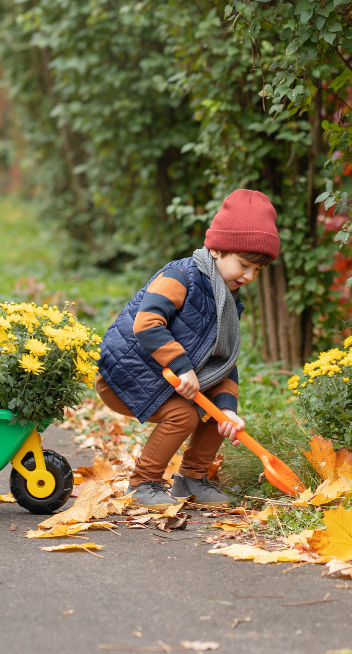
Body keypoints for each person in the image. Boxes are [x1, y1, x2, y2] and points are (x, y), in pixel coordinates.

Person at [94, 189, 280, 509]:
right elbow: (147, 324)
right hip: (127, 375)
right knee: (183, 416)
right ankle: (142, 483)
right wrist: (182, 366)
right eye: (245, 264)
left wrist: (228, 410)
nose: (250, 276)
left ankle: (192, 480)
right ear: (219, 249)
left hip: (168, 381)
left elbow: (224, 362)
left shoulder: (227, 302)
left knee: (215, 415)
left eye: (257, 270)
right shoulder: (180, 275)